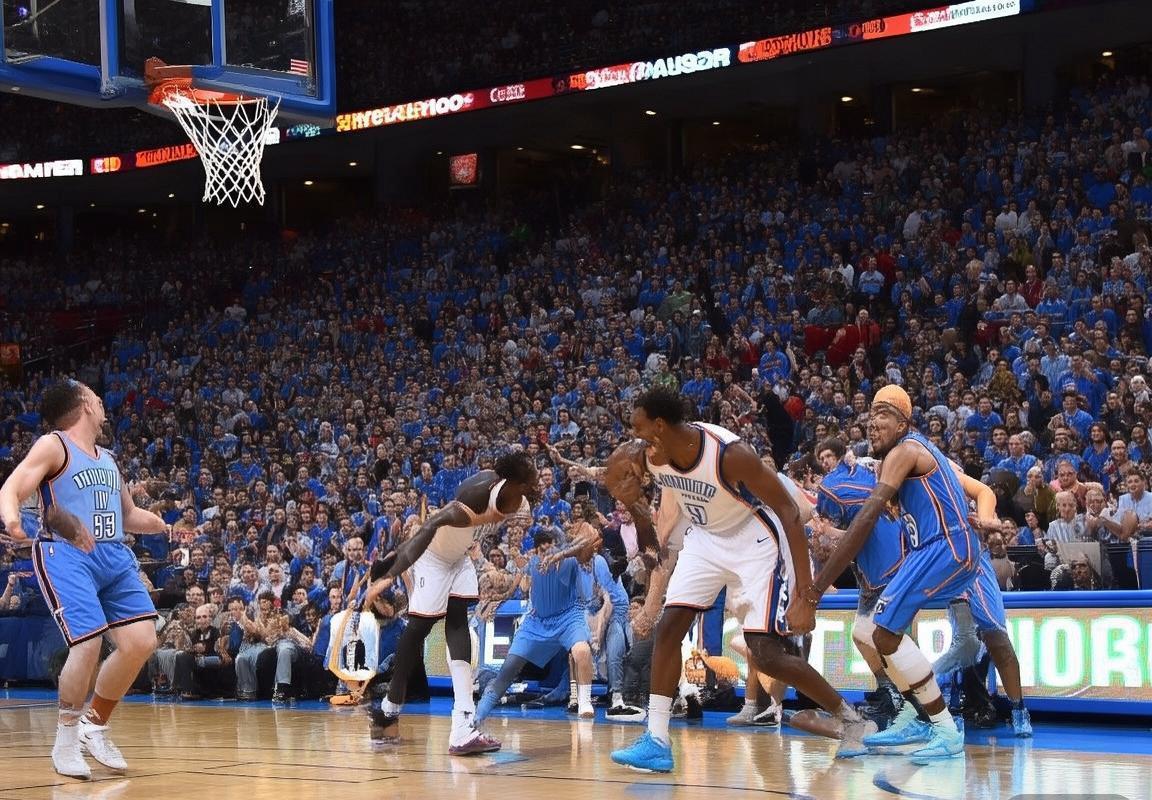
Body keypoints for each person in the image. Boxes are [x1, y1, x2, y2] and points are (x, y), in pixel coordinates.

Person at [608, 386, 873, 773]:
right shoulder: (644, 456)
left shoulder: (729, 454)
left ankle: (851, 719)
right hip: (705, 539)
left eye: (639, 427)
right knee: (669, 628)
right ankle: (657, 740)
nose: (634, 436)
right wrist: (635, 508)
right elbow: (625, 492)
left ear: (660, 426)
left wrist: (806, 594)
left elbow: (789, 511)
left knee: (766, 654)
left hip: (754, 540)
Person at [0, 380, 169, 779]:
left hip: (112, 554)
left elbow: (128, 515)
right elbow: (12, 486)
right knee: (88, 640)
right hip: (66, 552)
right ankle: (65, 738)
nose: (101, 400)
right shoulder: (54, 445)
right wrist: (12, 518)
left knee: (142, 641)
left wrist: (161, 524)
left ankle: (93, 725)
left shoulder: (107, 458)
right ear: (84, 405)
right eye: (95, 396)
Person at [805, 385, 979, 763]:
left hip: (943, 546)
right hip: (928, 548)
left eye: (883, 414)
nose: (873, 423)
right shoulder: (897, 458)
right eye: (871, 415)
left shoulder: (906, 450)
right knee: (873, 633)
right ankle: (918, 714)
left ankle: (944, 729)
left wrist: (816, 588)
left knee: (883, 633)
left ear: (904, 423)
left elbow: (867, 517)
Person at [364, 451, 540, 755]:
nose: (538, 479)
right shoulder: (474, 499)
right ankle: (389, 709)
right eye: (533, 475)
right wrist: (390, 573)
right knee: (418, 630)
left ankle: (462, 725)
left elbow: (521, 507)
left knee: (458, 625)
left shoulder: (518, 496)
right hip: (433, 558)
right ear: (518, 481)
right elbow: (427, 528)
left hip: (459, 558)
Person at [473, 528, 598, 723]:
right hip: (536, 621)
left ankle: (584, 702)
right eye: (542, 550)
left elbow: (588, 541)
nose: (547, 554)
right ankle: (478, 716)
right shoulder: (531, 563)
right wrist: (499, 597)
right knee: (508, 668)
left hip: (568, 617)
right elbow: (516, 587)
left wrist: (561, 554)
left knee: (582, 650)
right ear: (536, 551)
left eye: (551, 549)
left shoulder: (570, 561)